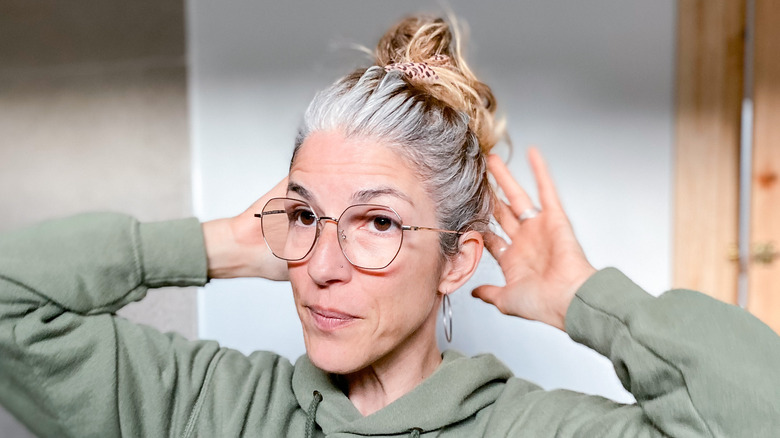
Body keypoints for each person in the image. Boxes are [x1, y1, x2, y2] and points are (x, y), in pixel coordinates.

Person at [1, 14, 779, 438]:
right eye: (306, 215)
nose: (323, 265)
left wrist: (588, 302)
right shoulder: (205, 407)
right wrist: (224, 245)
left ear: (456, 260)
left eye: (376, 221)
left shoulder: (542, 432)